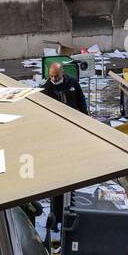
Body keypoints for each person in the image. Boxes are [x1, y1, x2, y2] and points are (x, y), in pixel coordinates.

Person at [41, 59, 87, 235]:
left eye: (57, 76)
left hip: (73, 134)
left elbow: (82, 105)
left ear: (62, 73)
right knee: (58, 180)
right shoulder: (46, 89)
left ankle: (69, 211)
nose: (54, 79)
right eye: (51, 76)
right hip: (56, 139)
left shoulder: (72, 84)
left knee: (72, 178)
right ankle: (56, 217)